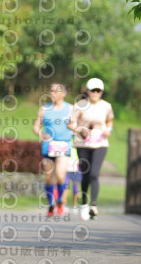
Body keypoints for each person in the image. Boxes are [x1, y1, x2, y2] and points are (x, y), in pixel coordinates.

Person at [67, 78, 114, 221]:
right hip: (83, 144)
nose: (95, 93)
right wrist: (80, 130)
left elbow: (109, 121)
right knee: (85, 174)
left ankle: (94, 205)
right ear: (87, 91)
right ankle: (84, 204)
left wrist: (108, 130)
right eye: (93, 90)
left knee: (94, 173)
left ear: (101, 92)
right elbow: (70, 123)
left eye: (98, 90)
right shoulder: (80, 105)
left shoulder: (106, 106)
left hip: (100, 143)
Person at [32, 83, 74, 217]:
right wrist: (41, 134)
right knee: (48, 177)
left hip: (64, 145)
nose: (52, 93)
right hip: (48, 146)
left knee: (61, 175)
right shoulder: (44, 109)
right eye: (51, 91)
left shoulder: (71, 109)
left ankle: (60, 199)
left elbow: (76, 125)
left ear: (63, 94)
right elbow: (36, 127)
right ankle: (51, 204)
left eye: (56, 91)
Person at [62, 147, 81, 213]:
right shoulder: (67, 146)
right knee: (65, 187)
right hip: (67, 169)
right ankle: (64, 204)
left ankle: (75, 205)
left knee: (75, 189)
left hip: (76, 170)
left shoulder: (78, 147)